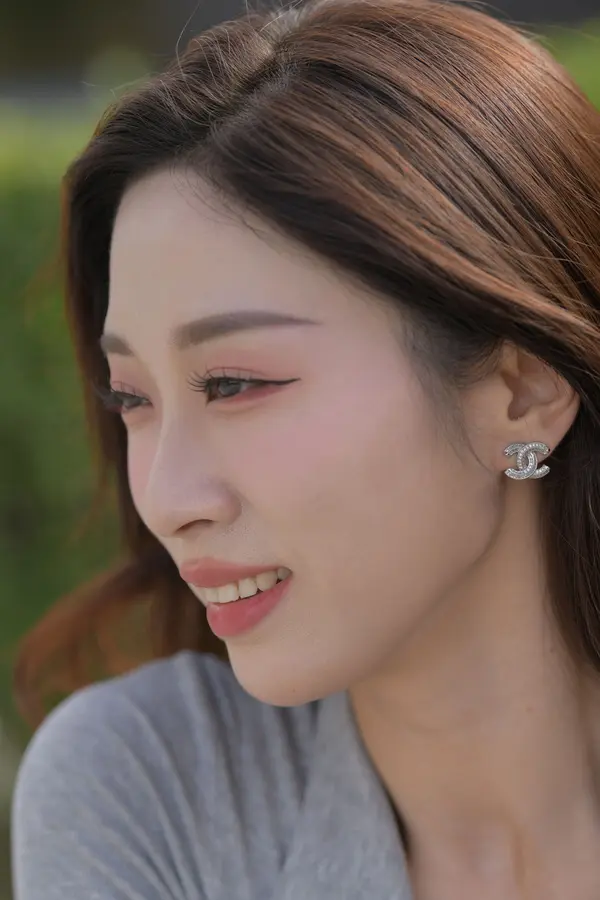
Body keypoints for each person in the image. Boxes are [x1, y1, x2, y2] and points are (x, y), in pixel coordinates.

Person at [10, 0, 600, 896]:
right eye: (132, 398)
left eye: (235, 384)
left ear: (522, 391)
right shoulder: (151, 789)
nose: (166, 499)